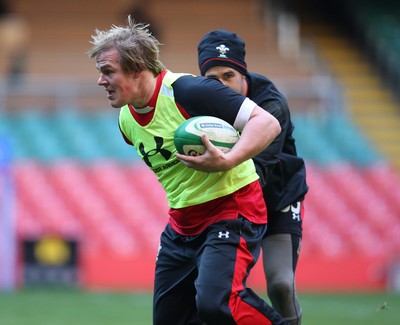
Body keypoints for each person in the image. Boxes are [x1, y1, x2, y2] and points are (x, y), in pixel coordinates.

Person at [88, 17, 290, 325]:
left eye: (108, 71)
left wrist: (229, 159)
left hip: (232, 208)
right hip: (181, 225)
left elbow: (268, 123)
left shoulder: (190, 91)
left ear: (137, 68)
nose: (101, 81)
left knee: (216, 303)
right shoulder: (126, 120)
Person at [197, 30, 309, 325]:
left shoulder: (271, 107)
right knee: (215, 290)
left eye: (228, 75)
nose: (221, 85)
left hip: (276, 199)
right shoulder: (197, 106)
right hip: (235, 202)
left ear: (243, 74)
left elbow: (258, 171)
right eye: (212, 79)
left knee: (281, 285)